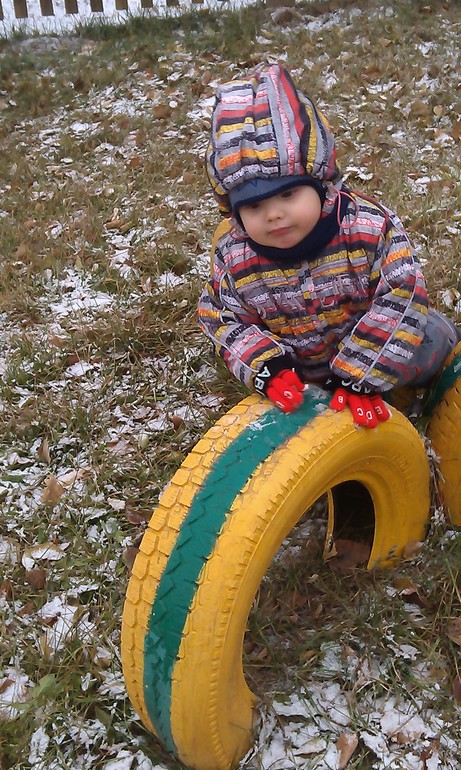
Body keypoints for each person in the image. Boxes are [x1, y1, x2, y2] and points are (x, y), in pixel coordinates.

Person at [198, 63, 459, 428]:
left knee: (434, 341)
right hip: (303, 369)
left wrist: (362, 372)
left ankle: (435, 394)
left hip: (386, 344)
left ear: (322, 184)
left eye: (288, 194)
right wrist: (265, 364)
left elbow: (401, 294)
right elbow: (222, 317)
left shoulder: (367, 230)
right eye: (254, 206)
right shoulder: (236, 257)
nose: (274, 215)